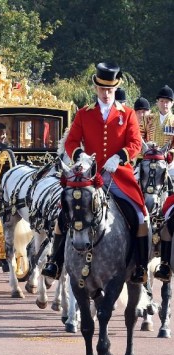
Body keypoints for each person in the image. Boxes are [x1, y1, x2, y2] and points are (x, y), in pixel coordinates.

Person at [42, 62, 149, 284]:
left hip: (119, 175)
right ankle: (55, 261)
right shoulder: (84, 114)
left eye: (110, 90)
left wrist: (120, 156)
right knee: (65, 211)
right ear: (96, 89)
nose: (107, 94)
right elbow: (71, 141)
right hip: (89, 177)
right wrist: (80, 154)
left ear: (115, 89)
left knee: (141, 216)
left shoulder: (127, 114)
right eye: (103, 90)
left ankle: (140, 267)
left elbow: (136, 143)